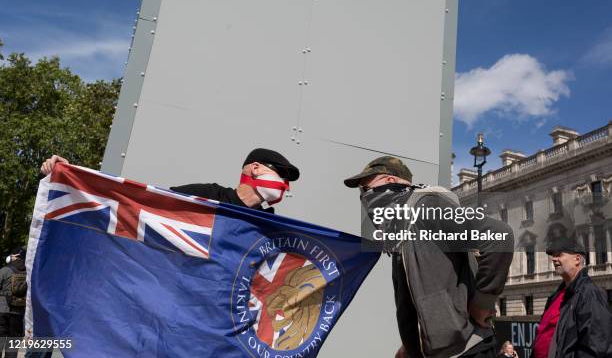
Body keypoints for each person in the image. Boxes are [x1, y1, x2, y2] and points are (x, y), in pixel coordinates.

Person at [344, 156, 514, 358]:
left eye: (365, 188)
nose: (363, 197)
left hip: (465, 350)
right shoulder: (402, 227)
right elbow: (420, 293)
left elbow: (500, 236)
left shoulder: (427, 206)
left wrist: (483, 303)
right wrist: (411, 345)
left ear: (390, 181)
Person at [41, 148, 300, 212]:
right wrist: (72, 177)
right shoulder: (205, 194)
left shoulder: (268, 223)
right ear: (254, 168)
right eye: (280, 172)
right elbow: (137, 202)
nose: (284, 182)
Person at [533, 236, 611, 358]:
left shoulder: (590, 293)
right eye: (553, 255)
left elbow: (595, 347)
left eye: (559, 254)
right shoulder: (555, 296)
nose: (554, 259)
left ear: (577, 259)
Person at [0, 247, 27, 358]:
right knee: (12, 345)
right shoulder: (28, 272)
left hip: (2, 311)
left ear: (14, 256)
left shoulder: (5, 270)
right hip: (18, 313)